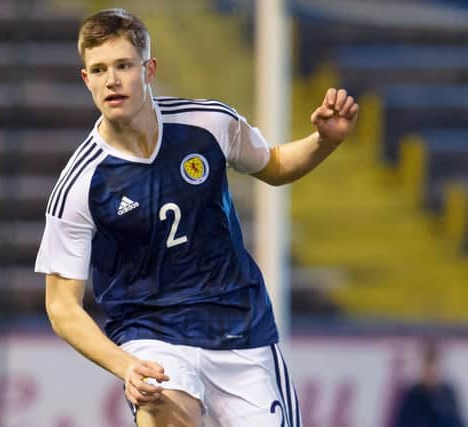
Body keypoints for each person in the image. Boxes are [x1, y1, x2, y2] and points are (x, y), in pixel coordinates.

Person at [36, 8, 358, 427]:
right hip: (151, 333)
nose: (111, 79)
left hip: (240, 328)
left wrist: (324, 141)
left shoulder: (208, 123)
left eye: (123, 65)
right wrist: (125, 365)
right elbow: (61, 305)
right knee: (161, 409)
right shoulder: (82, 184)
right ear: (86, 80)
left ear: (149, 70)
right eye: (98, 69)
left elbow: (274, 165)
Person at [394, 339, 465, 427]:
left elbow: (457, 423)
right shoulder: (412, 395)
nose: (431, 372)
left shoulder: (448, 393)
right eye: (427, 368)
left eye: (434, 367)